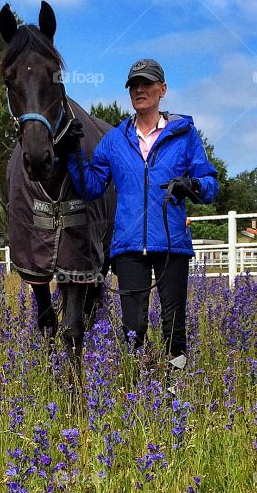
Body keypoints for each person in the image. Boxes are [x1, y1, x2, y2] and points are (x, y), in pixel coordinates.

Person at [65, 57, 218, 373]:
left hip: (171, 243)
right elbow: (91, 186)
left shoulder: (185, 135)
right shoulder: (114, 140)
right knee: (132, 328)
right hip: (129, 247)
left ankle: (174, 385)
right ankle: (140, 385)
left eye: (147, 84)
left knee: (174, 325)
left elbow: (211, 184)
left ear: (162, 89)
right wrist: (71, 153)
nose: (139, 90)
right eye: (134, 85)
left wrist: (192, 185)